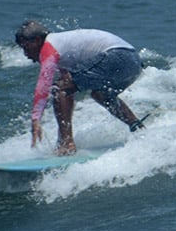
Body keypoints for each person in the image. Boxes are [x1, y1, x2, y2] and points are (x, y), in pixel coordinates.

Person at [14, 20, 147, 155]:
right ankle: (137, 127)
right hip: (133, 63)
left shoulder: (49, 47)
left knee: (60, 89)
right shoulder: (61, 46)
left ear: (37, 40)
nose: (26, 54)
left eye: (26, 47)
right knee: (100, 94)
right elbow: (67, 91)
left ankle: (66, 144)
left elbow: (44, 85)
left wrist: (36, 118)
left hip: (118, 57)